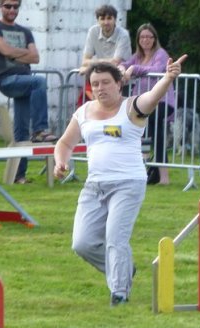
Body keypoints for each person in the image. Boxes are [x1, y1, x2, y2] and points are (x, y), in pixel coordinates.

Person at [54, 55, 188, 307]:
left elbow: (153, 97)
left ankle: (119, 293)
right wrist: (61, 161)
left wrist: (169, 77)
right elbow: (65, 143)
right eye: (95, 84)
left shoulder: (132, 107)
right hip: (94, 186)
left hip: (128, 184)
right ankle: (123, 270)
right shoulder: (83, 112)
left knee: (115, 238)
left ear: (119, 84)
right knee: (81, 243)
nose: (100, 88)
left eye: (106, 82)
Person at [0, 0, 57, 184]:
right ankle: (40, 130)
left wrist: (13, 52)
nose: (12, 9)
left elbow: (36, 57)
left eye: (16, 6)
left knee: (21, 132)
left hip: (25, 82)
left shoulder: (25, 31)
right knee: (39, 82)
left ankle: (18, 176)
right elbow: (4, 50)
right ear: (0, 7)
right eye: (8, 6)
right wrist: (22, 52)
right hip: (6, 79)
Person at [119, 23, 174, 185]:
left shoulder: (161, 54)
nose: (146, 40)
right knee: (143, 130)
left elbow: (157, 68)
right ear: (138, 39)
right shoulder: (138, 56)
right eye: (142, 37)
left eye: (149, 37)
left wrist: (133, 69)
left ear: (155, 39)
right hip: (144, 103)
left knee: (154, 129)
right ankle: (148, 169)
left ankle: (162, 175)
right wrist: (122, 69)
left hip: (162, 101)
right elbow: (125, 65)